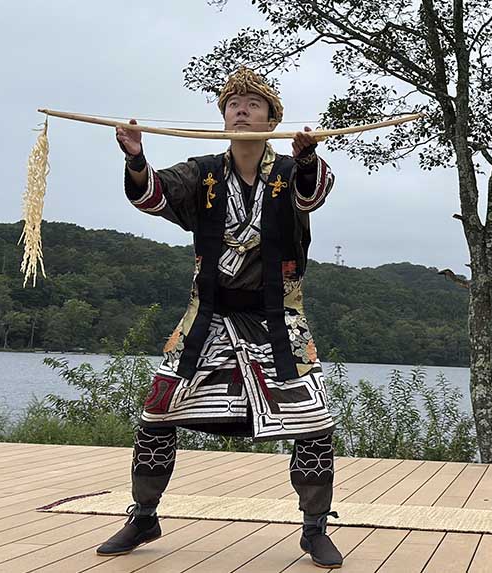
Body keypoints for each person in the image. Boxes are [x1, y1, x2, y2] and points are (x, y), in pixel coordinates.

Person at [97, 67, 343, 568]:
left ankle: (314, 528)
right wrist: (137, 156)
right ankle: (144, 516)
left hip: (278, 318)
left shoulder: (295, 166)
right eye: (233, 103)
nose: (241, 109)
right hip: (206, 318)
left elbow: (312, 195)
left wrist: (307, 156)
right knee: (156, 414)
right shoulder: (202, 170)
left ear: (272, 116)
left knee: (314, 423)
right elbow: (152, 197)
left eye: (253, 103)